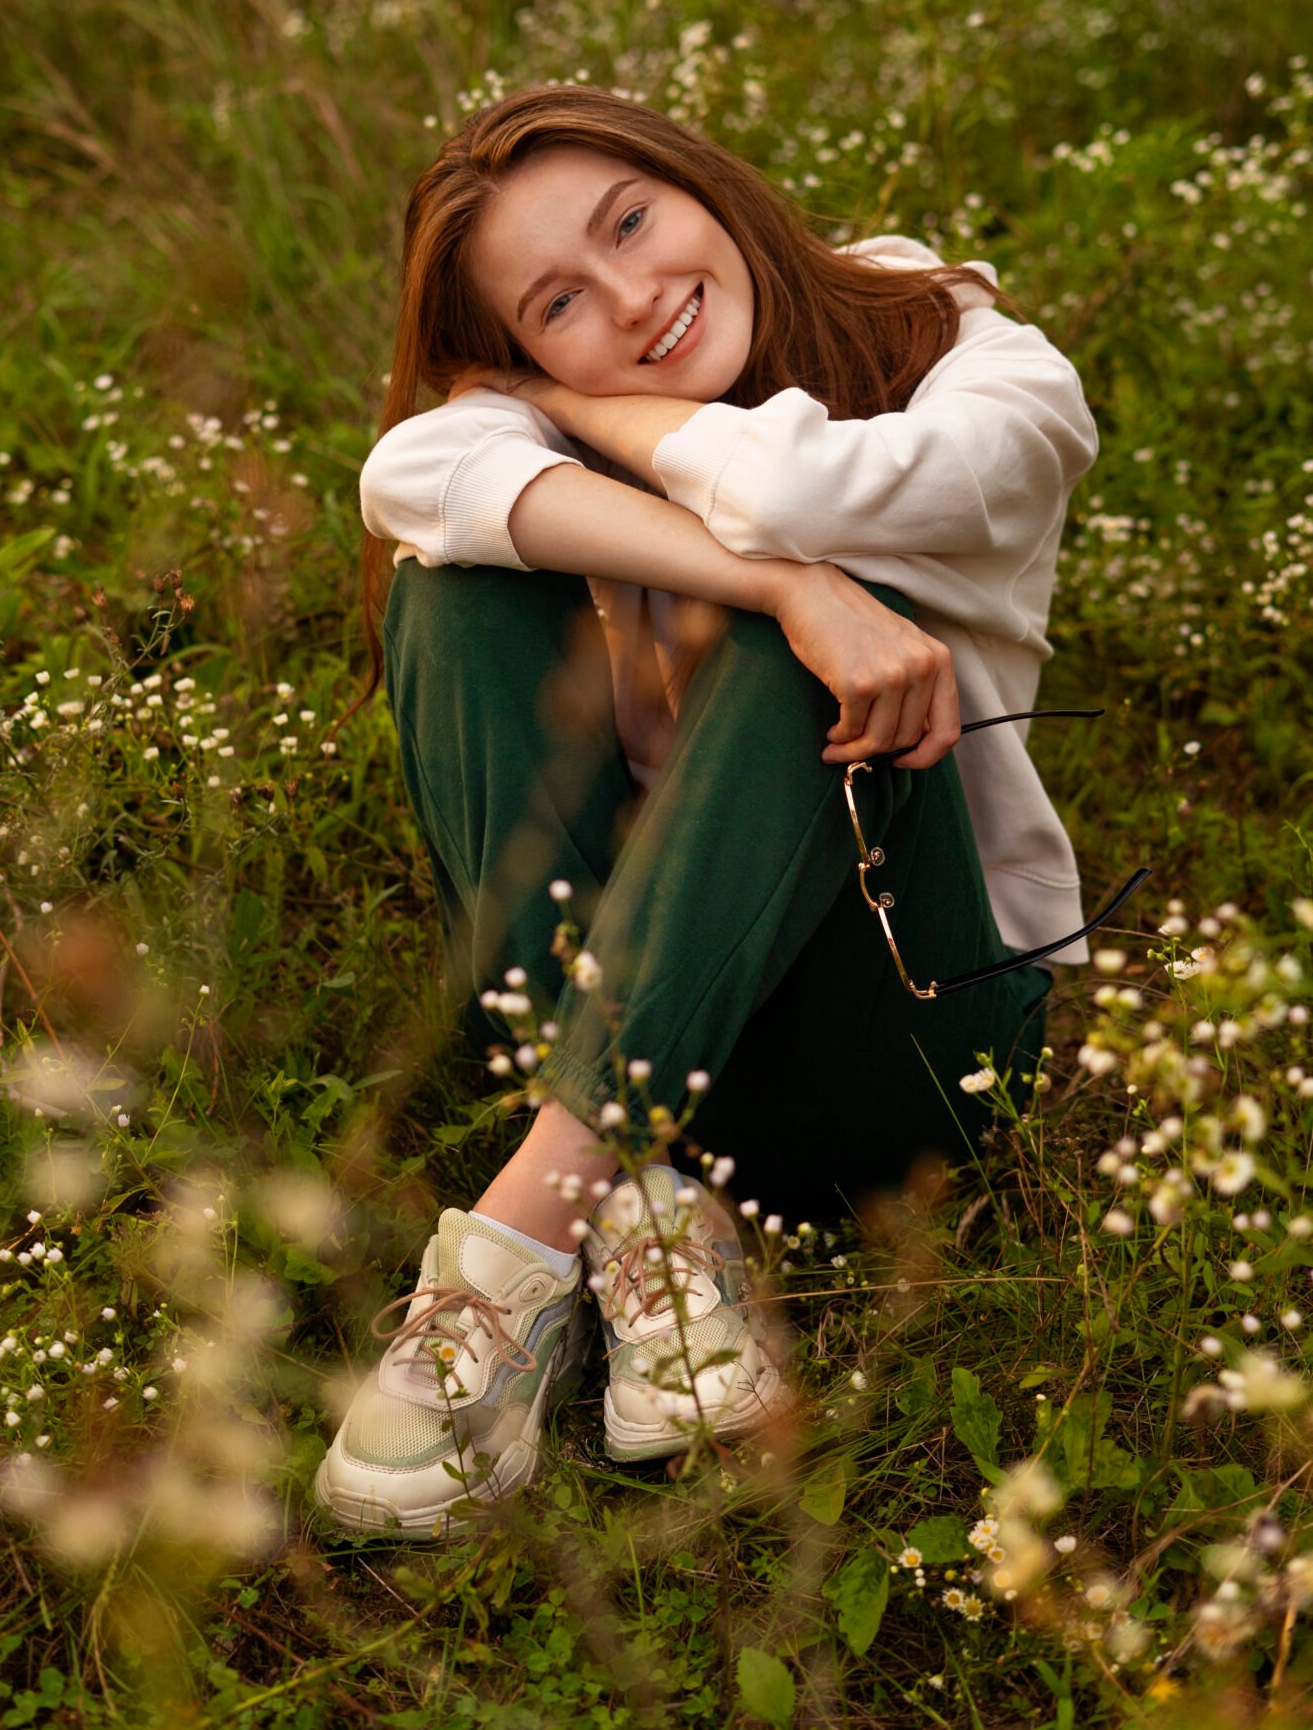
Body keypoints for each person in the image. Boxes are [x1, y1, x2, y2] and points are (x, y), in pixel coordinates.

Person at [314, 85, 1099, 1539]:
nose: (632, 297)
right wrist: (783, 586)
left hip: (900, 1035)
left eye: (631, 222)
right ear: (519, 345)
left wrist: (592, 415)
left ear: (700, 179)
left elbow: (799, 490)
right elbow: (407, 471)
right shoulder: (529, 408)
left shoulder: (964, 353)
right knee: (453, 587)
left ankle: (521, 1237)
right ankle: (653, 1211)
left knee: (826, 631)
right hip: (630, 1014)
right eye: (559, 304)